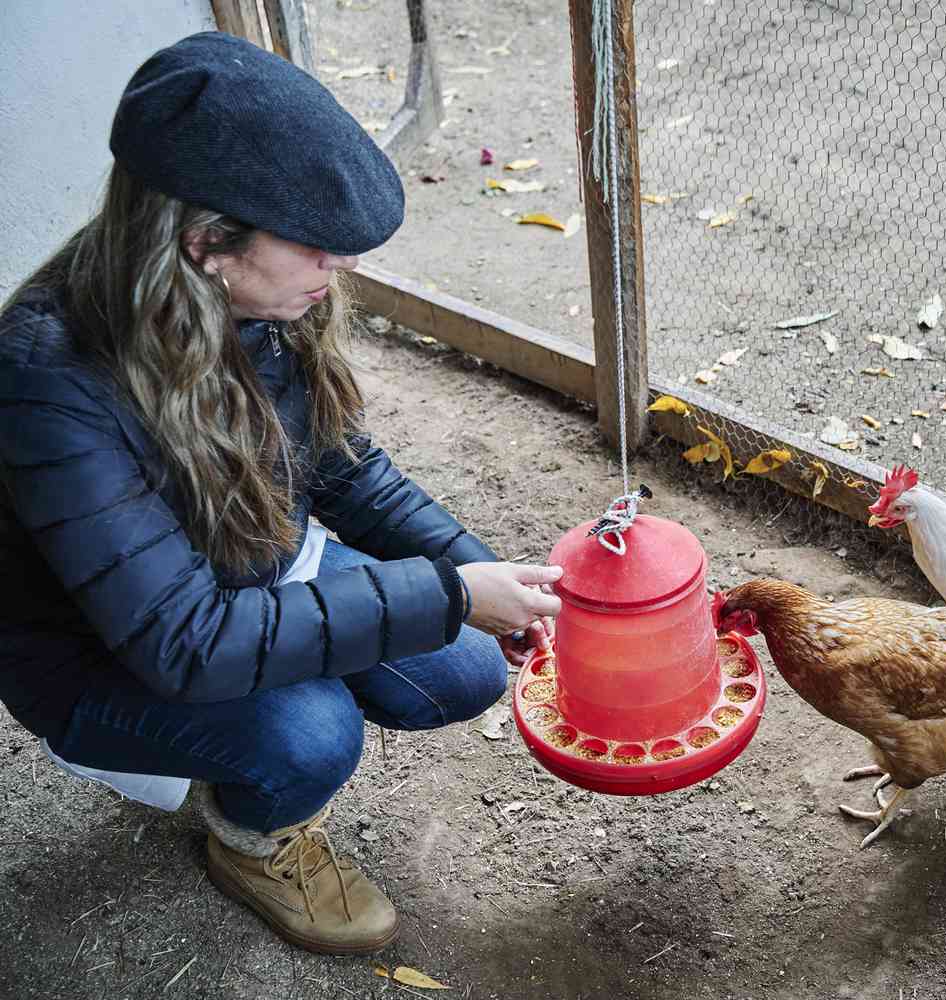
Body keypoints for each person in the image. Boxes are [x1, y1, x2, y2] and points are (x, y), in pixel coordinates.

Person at [0, 32, 563, 956]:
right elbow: (184, 642)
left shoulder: (255, 302)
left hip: (246, 563)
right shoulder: (47, 381)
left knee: (463, 667)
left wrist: (472, 572)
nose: (337, 270)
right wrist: (449, 595)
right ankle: (251, 838)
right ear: (206, 242)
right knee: (312, 734)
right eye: (317, 249)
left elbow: (340, 464)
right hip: (100, 649)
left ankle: (272, 726)